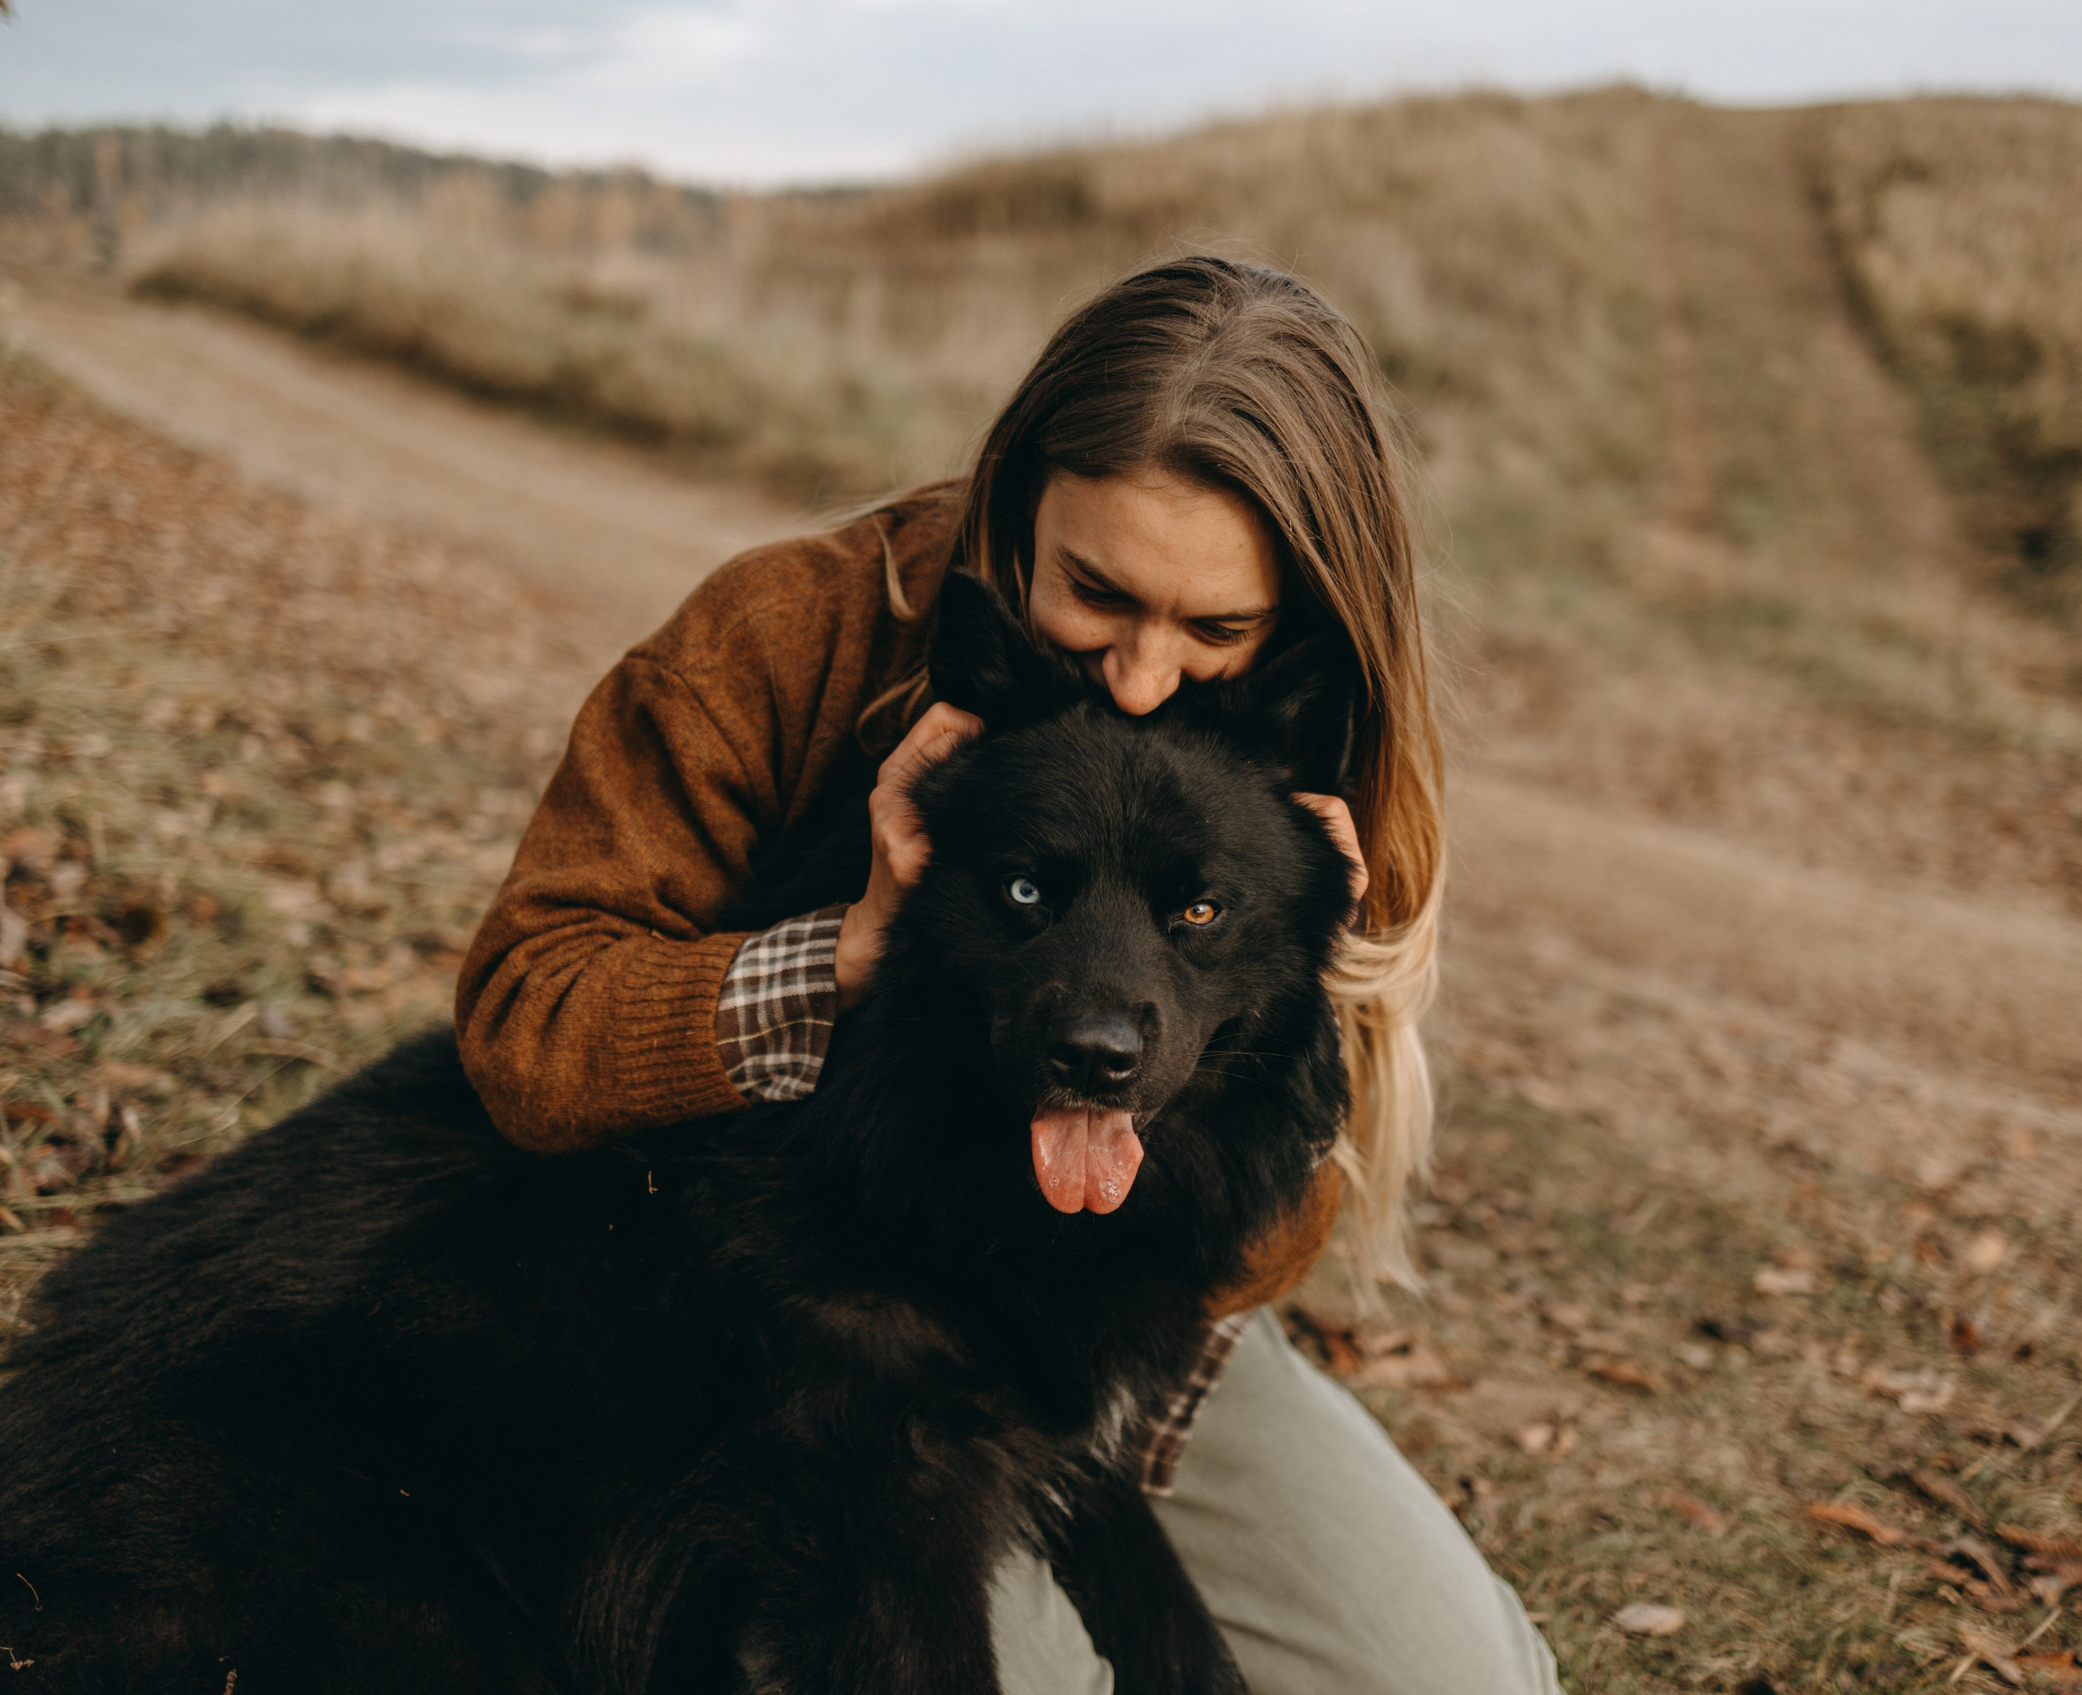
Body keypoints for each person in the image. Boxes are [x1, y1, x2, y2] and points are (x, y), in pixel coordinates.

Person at [455, 255, 1561, 1694]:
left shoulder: (1318, 758)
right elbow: (524, 1026)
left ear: (1295, 617)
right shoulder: (782, 634)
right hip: (832, 1337)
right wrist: (850, 945)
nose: (1147, 677)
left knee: (1463, 1680)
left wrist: (1308, 979)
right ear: (1017, 500)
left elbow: (1264, 1221)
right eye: (1097, 594)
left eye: (1215, 631)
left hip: (1141, 1323)